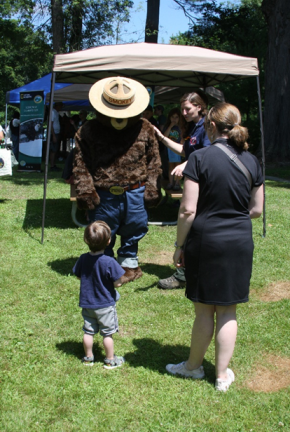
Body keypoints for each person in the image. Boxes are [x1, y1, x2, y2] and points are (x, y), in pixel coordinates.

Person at [165, 102, 264, 391]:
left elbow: (187, 211)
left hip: (205, 240)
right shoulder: (253, 161)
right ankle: (222, 376)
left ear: (210, 126)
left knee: (204, 311)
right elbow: (256, 210)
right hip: (239, 241)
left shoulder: (199, 158)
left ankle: (193, 367)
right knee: (228, 311)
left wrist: (178, 245)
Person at [155, 91, 211, 289]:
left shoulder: (207, 128)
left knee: (191, 226)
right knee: (194, 228)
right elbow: (183, 150)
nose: (184, 112)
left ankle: (182, 275)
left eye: (188, 108)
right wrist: (161, 137)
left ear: (199, 107)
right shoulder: (194, 128)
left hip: (202, 186)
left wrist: (186, 164)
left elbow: (207, 153)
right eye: (182, 109)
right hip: (194, 184)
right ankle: (192, 273)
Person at [73, 220, 126, 368]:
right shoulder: (109, 262)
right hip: (105, 305)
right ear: (109, 241)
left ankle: (88, 358)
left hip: (87, 303)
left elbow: (78, 276)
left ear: (86, 240)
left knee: (88, 332)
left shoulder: (83, 259)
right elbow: (118, 283)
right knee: (107, 334)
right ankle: (110, 360)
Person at [163, 108, 183, 191]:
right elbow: (165, 135)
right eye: (172, 117)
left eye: (176, 117)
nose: (174, 119)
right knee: (170, 166)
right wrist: (171, 126)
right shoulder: (167, 126)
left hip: (178, 149)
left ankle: (177, 183)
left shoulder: (181, 127)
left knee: (178, 166)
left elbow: (183, 137)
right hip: (169, 149)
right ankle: (171, 182)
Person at [49, 102, 63, 171]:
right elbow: (50, 124)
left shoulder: (56, 112)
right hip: (54, 133)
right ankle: (52, 166)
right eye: (60, 106)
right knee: (53, 150)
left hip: (56, 133)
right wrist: (53, 135)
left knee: (55, 149)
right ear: (57, 106)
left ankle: (54, 164)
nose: (61, 108)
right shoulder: (52, 112)